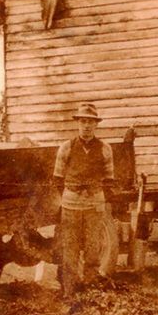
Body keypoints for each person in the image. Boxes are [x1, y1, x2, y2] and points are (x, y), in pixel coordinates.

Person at [53, 102, 115, 297]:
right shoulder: (66, 148)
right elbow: (57, 179)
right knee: (69, 248)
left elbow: (109, 180)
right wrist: (72, 194)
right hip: (71, 205)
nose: (87, 126)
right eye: (83, 121)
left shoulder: (105, 149)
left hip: (94, 206)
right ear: (78, 124)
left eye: (91, 122)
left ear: (96, 125)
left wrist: (95, 196)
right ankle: (69, 293)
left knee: (92, 249)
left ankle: (89, 292)